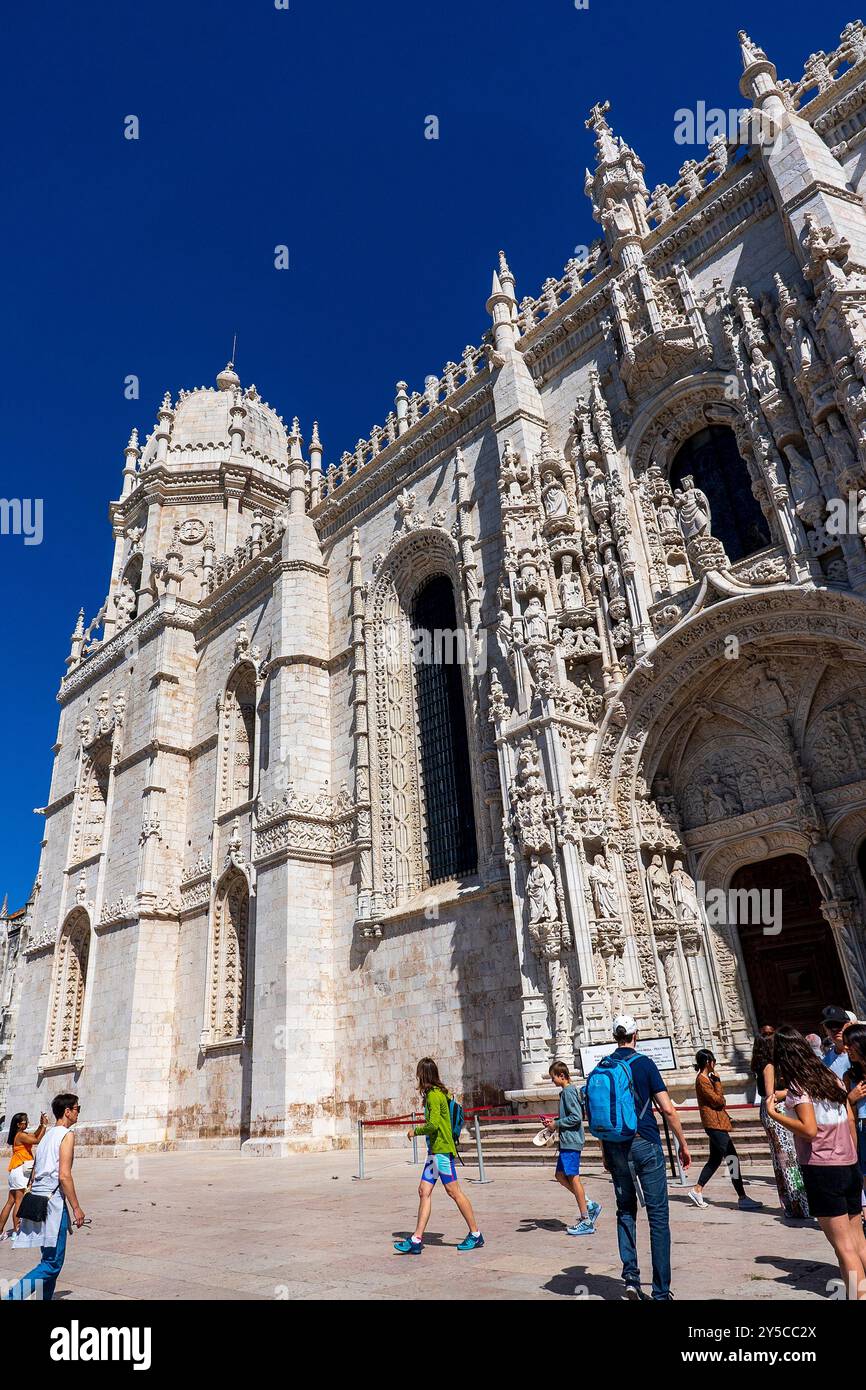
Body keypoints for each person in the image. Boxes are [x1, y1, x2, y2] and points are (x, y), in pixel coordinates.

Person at [767, 1027, 866, 1300]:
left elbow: (808, 1130)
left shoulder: (799, 1087)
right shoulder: (831, 1076)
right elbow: (848, 1120)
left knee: (844, 1247)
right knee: (858, 1240)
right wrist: (852, 1155)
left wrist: (774, 1114)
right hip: (848, 1163)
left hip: (823, 1169)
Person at [598, 1015, 691, 1301]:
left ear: (615, 1036)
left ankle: (631, 1280)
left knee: (625, 1211)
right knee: (658, 1216)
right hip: (645, 1144)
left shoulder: (603, 1066)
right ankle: (661, 1292)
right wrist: (682, 1143)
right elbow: (667, 1109)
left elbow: (602, 1112)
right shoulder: (645, 1064)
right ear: (635, 1035)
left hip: (615, 1147)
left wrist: (605, 1151)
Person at [393, 1058, 484, 1255]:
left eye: (418, 1073)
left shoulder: (434, 1096)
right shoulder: (436, 1094)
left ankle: (476, 1234)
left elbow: (433, 1125)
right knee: (423, 1191)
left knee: (454, 1192)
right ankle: (416, 1239)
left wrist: (414, 1132)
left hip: (441, 1152)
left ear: (423, 1075)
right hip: (435, 1153)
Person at [4, 1093, 86, 1301]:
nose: (78, 1112)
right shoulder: (66, 1135)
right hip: (53, 1204)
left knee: (48, 1258)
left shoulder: (48, 1135)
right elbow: (64, 1175)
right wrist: (76, 1207)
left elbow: (35, 1171)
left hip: (39, 1202)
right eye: (77, 1108)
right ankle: (13, 1296)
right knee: (52, 1264)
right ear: (67, 1112)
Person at [687, 1050, 762, 1211]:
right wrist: (718, 1082)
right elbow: (718, 1101)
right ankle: (742, 1197)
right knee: (732, 1159)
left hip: (716, 1124)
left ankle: (697, 1189)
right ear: (708, 1062)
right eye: (713, 1060)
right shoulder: (702, 1080)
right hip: (714, 1125)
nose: (715, 1063)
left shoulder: (707, 1079)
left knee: (714, 1159)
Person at [750, 1030, 808, 1219]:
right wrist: (793, 1089)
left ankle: (791, 1205)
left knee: (781, 1159)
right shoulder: (769, 1065)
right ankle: (799, 1204)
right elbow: (771, 1096)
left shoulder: (767, 1064)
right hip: (777, 1113)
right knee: (788, 1159)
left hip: (773, 1114)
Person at [542, 1061, 601, 1236]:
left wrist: (557, 1123)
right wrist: (553, 1121)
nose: (552, 1080)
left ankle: (586, 1219)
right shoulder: (566, 1092)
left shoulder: (568, 1092)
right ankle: (589, 1204)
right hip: (566, 1141)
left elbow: (575, 1117)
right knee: (560, 1176)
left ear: (562, 1075)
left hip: (571, 1141)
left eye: (553, 1077)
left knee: (574, 1178)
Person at [0, 1110, 49, 1240]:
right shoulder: (21, 1135)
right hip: (21, 1170)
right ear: (18, 1124)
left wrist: (40, 1125)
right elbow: (37, 1140)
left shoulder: (19, 1135)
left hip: (16, 1170)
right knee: (18, 1202)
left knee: (10, 1201)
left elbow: (34, 1135)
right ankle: (17, 1231)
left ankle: (0, 1231)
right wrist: (44, 1126)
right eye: (25, 1122)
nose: (27, 1123)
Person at [842, 1022, 866, 1225]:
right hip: (861, 1127)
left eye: (850, 1044)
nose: (847, 1048)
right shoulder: (850, 1076)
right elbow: (844, 1109)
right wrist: (851, 1097)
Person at [822, 1006, 852, 1082]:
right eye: (830, 1026)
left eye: (839, 1024)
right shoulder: (825, 1063)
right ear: (825, 1030)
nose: (835, 1029)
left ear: (849, 1024)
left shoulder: (862, 1052)